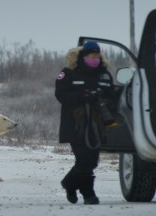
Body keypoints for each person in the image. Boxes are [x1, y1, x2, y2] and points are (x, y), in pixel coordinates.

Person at [54, 41, 115, 205]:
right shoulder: (69, 73)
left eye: (97, 56)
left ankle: (70, 184)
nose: (95, 59)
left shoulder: (104, 74)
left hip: (96, 126)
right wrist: (83, 97)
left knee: (92, 161)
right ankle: (89, 194)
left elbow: (112, 96)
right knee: (84, 160)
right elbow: (61, 95)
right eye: (91, 56)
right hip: (75, 125)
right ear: (84, 56)